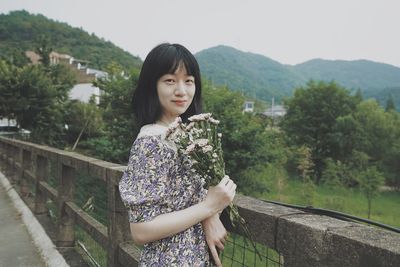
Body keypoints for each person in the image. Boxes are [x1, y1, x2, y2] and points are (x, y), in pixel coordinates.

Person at [119, 43, 236, 267]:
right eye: (170, 81)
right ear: (152, 86)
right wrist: (208, 208)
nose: (181, 90)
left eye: (189, 81)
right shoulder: (152, 142)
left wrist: (209, 217)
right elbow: (141, 230)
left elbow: (188, 197)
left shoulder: (184, 135)